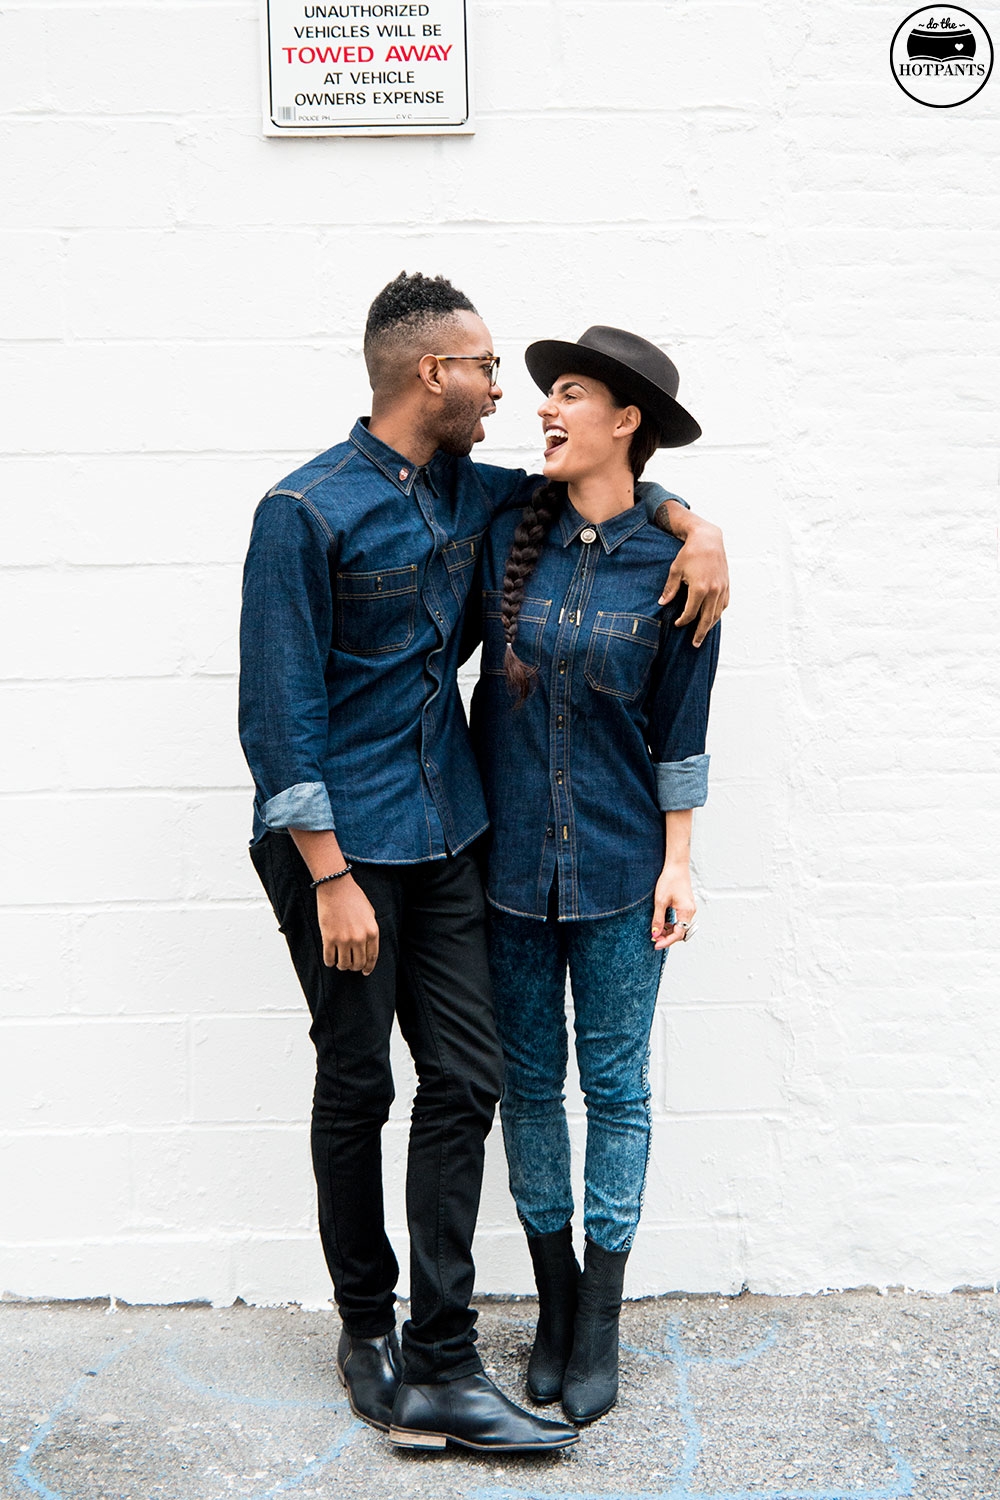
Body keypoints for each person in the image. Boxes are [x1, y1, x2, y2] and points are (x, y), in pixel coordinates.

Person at [238, 276, 729, 1452]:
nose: (505, 391)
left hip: (453, 832)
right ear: (430, 376)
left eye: (528, 377)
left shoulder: (482, 498)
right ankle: (370, 1330)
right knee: (358, 1085)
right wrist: (327, 874)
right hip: (340, 852)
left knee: (467, 1082)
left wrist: (697, 526)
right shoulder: (303, 511)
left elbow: (611, 492)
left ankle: (446, 1352)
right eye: (489, 367)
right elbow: (276, 714)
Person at [469, 326, 720, 1425]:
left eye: (568, 393)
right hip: (507, 870)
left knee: (616, 1092)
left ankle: (603, 1320)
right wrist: (694, 512)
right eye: (545, 394)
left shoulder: (677, 568)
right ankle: (556, 1305)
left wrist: (681, 863)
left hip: (622, 873)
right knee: (528, 1090)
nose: (542, 409)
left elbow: (683, 732)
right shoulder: (502, 529)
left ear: (627, 422)